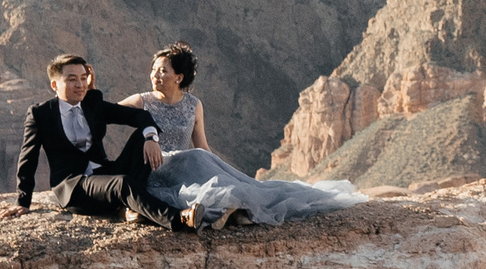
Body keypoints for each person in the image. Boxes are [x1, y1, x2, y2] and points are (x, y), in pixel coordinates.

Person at [119, 43, 367, 229]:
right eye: (154, 70)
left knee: (217, 174)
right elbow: (106, 112)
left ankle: (235, 206)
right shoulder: (142, 101)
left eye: (162, 71)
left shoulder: (194, 105)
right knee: (194, 180)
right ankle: (226, 210)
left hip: (189, 163)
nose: (155, 75)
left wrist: (221, 169)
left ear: (178, 77)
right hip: (157, 167)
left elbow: (202, 145)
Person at [4, 52, 170, 225]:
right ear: (54, 84)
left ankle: (130, 206)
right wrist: (23, 202)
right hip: (75, 187)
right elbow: (28, 158)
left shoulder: (91, 105)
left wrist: (151, 138)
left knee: (143, 136)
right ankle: (179, 218)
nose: (80, 85)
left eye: (84, 78)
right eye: (72, 79)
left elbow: (139, 116)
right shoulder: (41, 114)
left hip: (106, 175)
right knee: (122, 184)